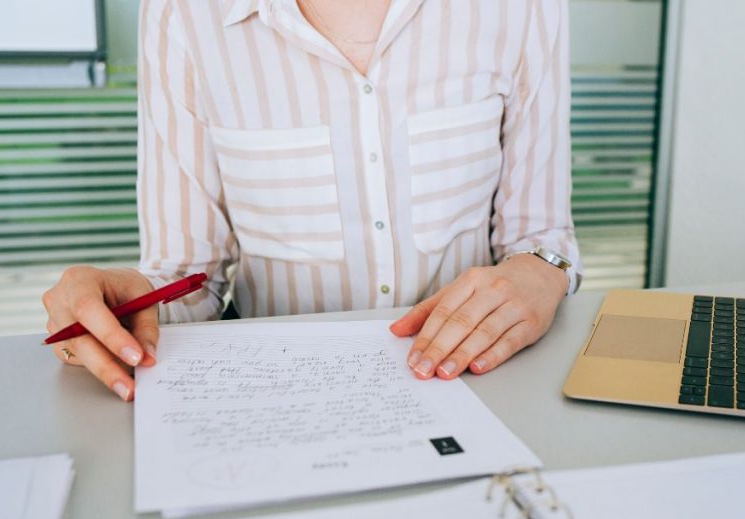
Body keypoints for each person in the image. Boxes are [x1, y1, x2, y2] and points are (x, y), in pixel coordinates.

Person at [41, 0, 582, 402]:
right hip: (278, 405)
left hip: (480, 387)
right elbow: (188, 278)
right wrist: (125, 311)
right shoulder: (185, 13)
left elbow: (543, 238)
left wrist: (542, 271)